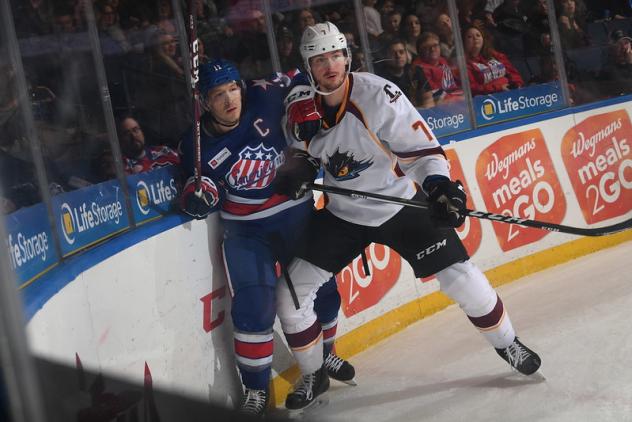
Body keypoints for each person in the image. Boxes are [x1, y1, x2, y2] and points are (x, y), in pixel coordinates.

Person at [273, 21, 542, 411]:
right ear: (308, 66)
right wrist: (298, 166)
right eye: (319, 59)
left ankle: (508, 344)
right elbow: (302, 152)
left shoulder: (378, 94)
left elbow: (422, 152)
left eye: (335, 55)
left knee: (460, 277)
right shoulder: (299, 104)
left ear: (347, 58)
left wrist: (439, 188)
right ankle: (314, 373)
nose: (329, 65)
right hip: (343, 213)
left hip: (399, 204)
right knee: (290, 293)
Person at [178, 60, 355, 416]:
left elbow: (304, 75)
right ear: (205, 102)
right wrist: (199, 195)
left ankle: (327, 356)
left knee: (323, 289)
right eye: (218, 95)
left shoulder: (264, 94)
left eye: (232, 90)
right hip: (246, 232)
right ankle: (256, 390)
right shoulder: (195, 145)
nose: (229, 100)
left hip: (297, 215)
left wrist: (303, 101)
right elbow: (196, 187)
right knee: (255, 308)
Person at [463, 25, 524, 95]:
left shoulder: (495, 55)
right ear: (463, 42)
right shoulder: (464, 64)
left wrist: (517, 84)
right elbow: (472, 88)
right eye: (469, 37)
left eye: (478, 35)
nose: (475, 38)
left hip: (510, 95)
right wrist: (497, 88)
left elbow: (513, 72)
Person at [377, 39, 434, 108]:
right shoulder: (381, 78)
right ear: (386, 56)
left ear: (406, 54)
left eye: (401, 52)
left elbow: (428, 99)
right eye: (393, 53)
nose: (398, 56)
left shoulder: (415, 71)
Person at [413, 32, 463, 104]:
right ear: (419, 51)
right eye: (427, 47)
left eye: (435, 45)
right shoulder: (419, 69)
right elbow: (434, 95)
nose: (432, 49)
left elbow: (455, 83)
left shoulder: (442, 60)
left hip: (453, 97)